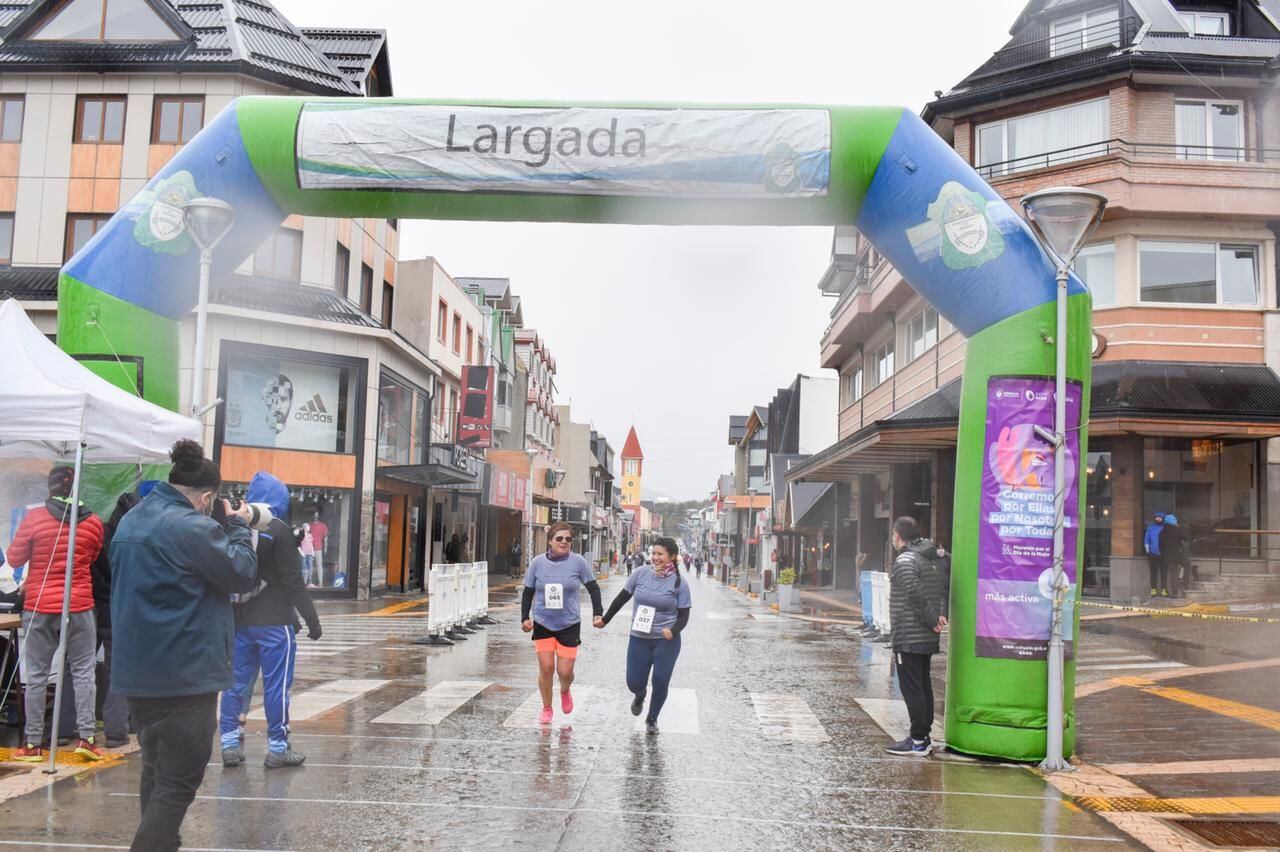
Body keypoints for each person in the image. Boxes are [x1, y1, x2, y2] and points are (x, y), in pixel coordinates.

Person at [110, 440, 259, 852]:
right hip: (185, 674)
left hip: (138, 674)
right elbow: (242, 574)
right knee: (177, 783)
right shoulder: (193, 527)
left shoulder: (131, 520)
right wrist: (239, 526)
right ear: (207, 497)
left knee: (156, 773)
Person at [220, 471, 322, 769]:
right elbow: (293, 582)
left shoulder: (235, 526)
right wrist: (311, 620)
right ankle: (277, 747)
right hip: (276, 623)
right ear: (280, 498)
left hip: (240, 620)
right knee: (276, 686)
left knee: (236, 683)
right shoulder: (278, 530)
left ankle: (229, 743)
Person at [9, 466, 106, 762]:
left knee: (37, 675)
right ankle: (86, 738)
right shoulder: (93, 522)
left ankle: (33, 744)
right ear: (75, 488)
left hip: (39, 606)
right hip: (79, 605)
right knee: (83, 671)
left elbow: (14, 558)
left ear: (49, 488)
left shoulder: (34, 518)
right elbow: (93, 556)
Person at [596, 536, 692, 735]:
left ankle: (652, 718)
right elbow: (622, 598)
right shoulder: (640, 574)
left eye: (660, 554)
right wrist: (605, 619)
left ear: (672, 557)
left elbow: (684, 616)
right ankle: (640, 695)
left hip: (666, 641)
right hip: (639, 637)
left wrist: (672, 631)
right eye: (653, 554)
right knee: (634, 681)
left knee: (660, 680)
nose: (655, 558)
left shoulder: (679, 583)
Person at [521, 521, 602, 725]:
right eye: (559, 539)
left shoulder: (578, 562)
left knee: (565, 672)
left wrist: (597, 614)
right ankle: (547, 708)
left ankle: (565, 691)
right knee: (546, 668)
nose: (564, 542)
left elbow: (593, 588)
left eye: (568, 539)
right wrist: (525, 617)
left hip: (569, 623)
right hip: (543, 622)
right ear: (550, 541)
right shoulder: (537, 563)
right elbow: (528, 591)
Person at [884, 516, 945, 757]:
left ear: (897, 536)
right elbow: (939, 588)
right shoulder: (928, 558)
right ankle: (923, 736)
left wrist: (932, 619)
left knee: (912, 688)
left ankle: (918, 739)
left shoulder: (906, 560)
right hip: (924, 635)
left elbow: (914, 593)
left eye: (892, 535)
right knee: (923, 686)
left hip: (910, 635)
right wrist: (937, 617)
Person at [1158, 514, 1190, 598]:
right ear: (1173, 521)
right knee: (1187, 564)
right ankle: (1185, 582)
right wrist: (1181, 528)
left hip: (1167, 555)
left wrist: (1164, 554)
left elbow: (1160, 546)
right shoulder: (1177, 529)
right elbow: (1186, 538)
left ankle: (1174, 593)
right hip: (1178, 554)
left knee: (1173, 573)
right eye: (1175, 520)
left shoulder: (1162, 532)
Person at [1144, 513, 1165, 598]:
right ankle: (1153, 589)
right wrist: (1148, 551)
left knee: (1164, 572)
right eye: (1156, 518)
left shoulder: (1165, 527)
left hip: (1163, 554)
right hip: (1152, 553)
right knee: (1153, 572)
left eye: (1159, 518)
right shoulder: (1151, 527)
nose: (1158, 519)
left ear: (1163, 519)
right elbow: (1146, 539)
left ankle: (1164, 589)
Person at [309, 512, 328, 585]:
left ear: (319, 516)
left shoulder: (323, 525)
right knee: (309, 566)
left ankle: (320, 582)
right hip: (309, 548)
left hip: (318, 548)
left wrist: (326, 546)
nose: (315, 516)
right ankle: (309, 582)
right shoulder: (310, 525)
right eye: (314, 514)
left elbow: (326, 537)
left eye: (317, 514)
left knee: (319, 565)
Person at [298, 522, 315, 587]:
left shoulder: (310, 535)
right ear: (305, 528)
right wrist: (301, 552)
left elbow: (311, 544)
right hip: (304, 553)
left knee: (310, 567)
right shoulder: (301, 535)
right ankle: (304, 582)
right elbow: (298, 545)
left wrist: (313, 551)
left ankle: (310, 581)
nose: (309, 528)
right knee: (304, 567)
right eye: (308, 527)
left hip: (310, 553)